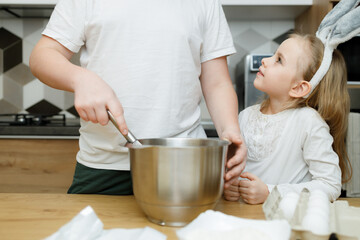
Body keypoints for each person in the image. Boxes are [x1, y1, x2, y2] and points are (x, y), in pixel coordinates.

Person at [29, 0, 247, 195]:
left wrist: (230, 131)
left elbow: (217, 83)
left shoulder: (205, 3)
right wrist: (80, 79)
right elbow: (43, 56)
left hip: (183, 165)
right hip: (102, 167)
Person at [224, 33, 352, 204]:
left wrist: (270, 192)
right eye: (273, 55)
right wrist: (229, 186)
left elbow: (330, 185)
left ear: (298, 88)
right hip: (245, 221)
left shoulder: (308, 122)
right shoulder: (245, 116)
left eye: (279, 60)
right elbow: (232, 171)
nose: (265, 61)